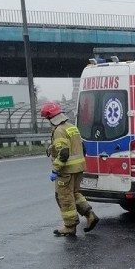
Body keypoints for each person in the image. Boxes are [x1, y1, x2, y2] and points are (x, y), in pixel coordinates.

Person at [42, 101, 99, 237]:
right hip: (78, 168)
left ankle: (69, 226)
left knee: (64, 197)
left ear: (50, 117)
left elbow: (64, 153)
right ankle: (90, 215)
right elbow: (81, 147)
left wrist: (55, 170)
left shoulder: (59, 130)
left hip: (66, 171)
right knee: (74, 194)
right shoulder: (72, 127)